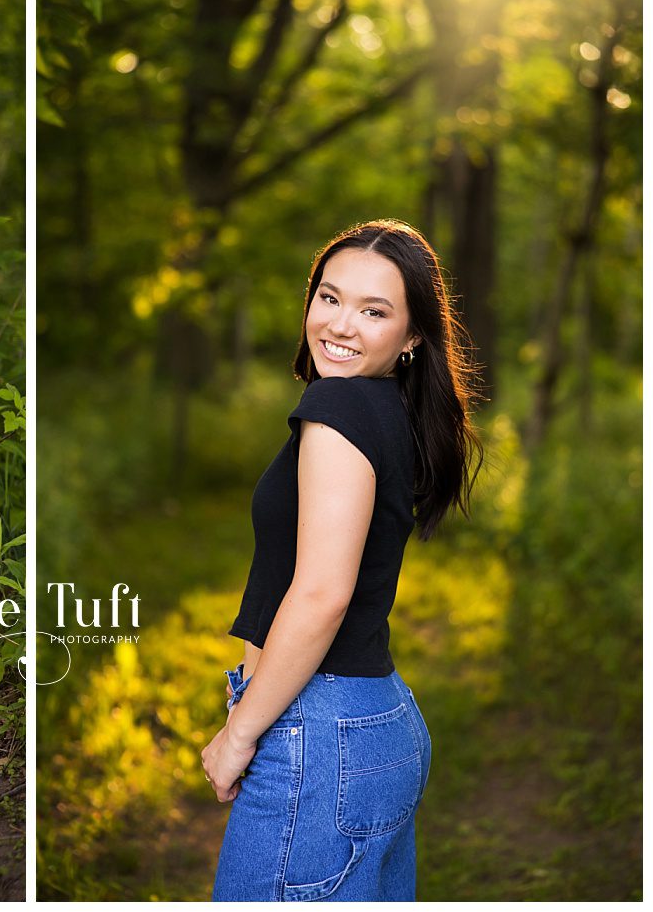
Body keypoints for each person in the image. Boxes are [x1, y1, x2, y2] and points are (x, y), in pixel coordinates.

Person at [202, 220, 481, 901]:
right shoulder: (395, 411)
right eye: (330, 298)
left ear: (413, 334)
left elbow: (323, 592)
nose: (342, 325)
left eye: (374, 310)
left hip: (318, 735)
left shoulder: (336, 407)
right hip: (378, 720)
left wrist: (239, 733)